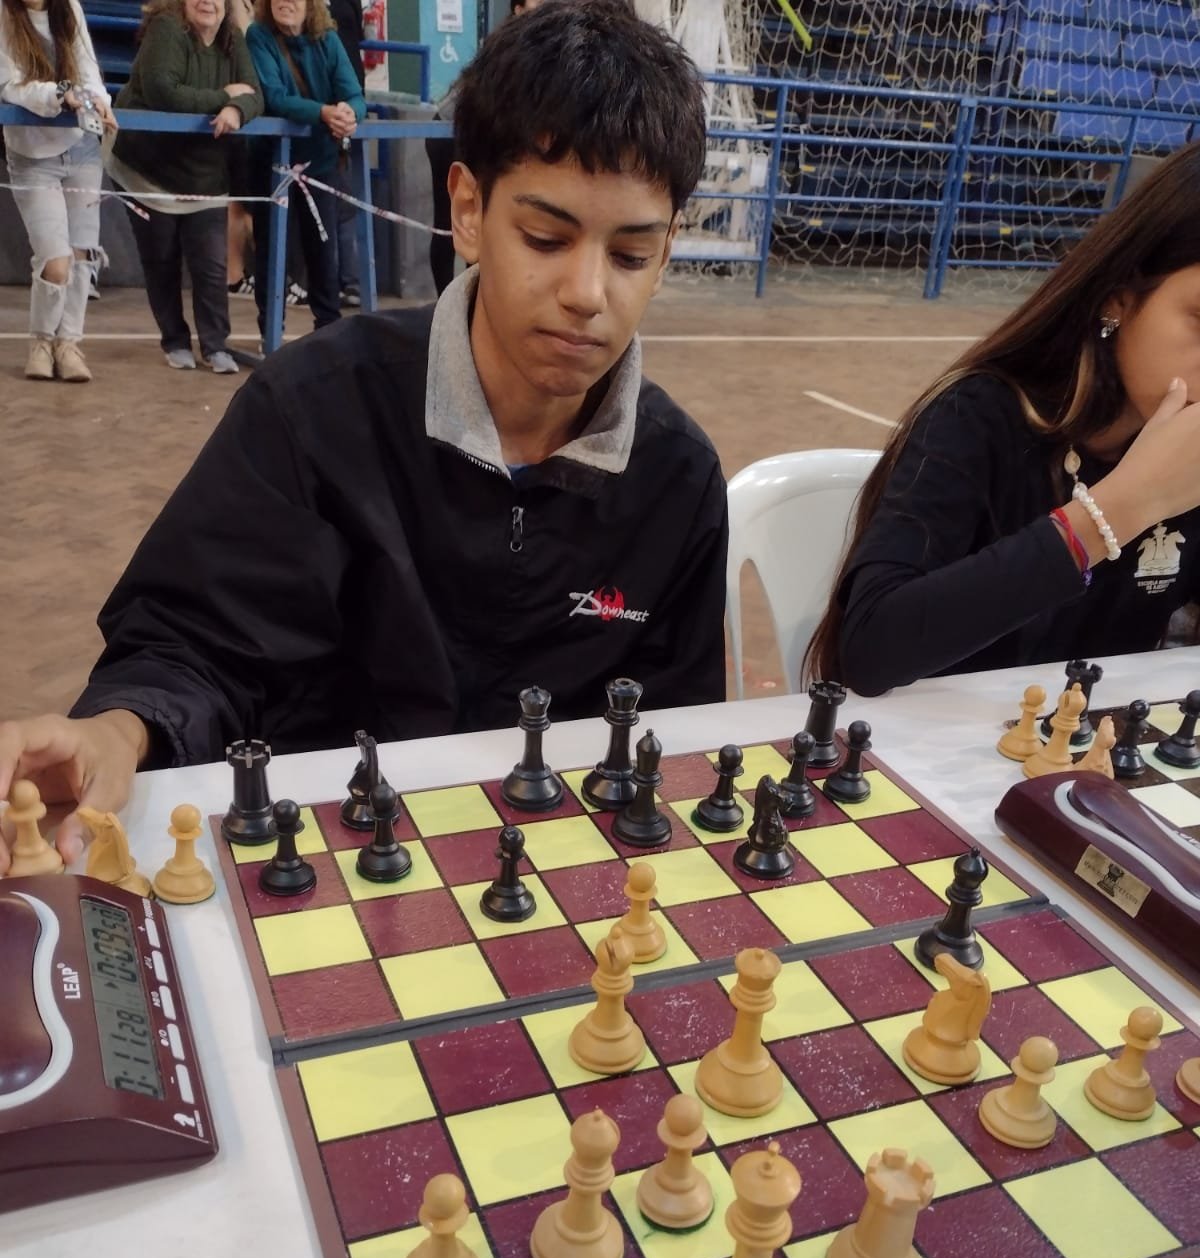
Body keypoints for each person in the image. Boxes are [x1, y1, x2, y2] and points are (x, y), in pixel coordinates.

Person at [0, 0, 727, 872]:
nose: (586, 293)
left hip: (554, 881)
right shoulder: (312, 409)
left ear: (668, 250)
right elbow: (193, 642)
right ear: (468, 208)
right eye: (545, 237)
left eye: (631, 255)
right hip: (325, 868)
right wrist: (118, 730)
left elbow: (672, 737)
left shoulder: (678, 478)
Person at [807, 140, 1200, 697]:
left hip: (1091, 745)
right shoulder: (980, 416)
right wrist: (1120, 509)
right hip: (931, 742)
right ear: (1118, 298)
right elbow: (869, 649)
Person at [106, 0, 263, 372]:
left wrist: (237, 109)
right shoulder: (166, 28)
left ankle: (215, 345)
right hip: (147, 170)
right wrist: (224, 97)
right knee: (161, 260)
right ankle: (175, 340)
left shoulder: (233, 38)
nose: (207, 2)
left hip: (205, 176)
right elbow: (165, 93)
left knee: (211, 264)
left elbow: (255, 94)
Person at [0, 0, 116, 380]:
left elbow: (87, 66)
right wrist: (60, 94)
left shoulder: (69, 8)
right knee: (55, 260)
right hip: (31, 154)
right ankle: (41, 341)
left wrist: (98, 100)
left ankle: (68, 344)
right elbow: (10, 85)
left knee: (82, 254)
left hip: (81, 147)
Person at [246, 0, 364, 336]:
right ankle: (271, 333)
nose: (285, 2)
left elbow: (354, 94)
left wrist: (349, 114)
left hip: (320, 162)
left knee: (324, 252)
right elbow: (274, 97)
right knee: (272, 251)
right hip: (271, 163)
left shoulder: (328, 39)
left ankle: (329, 332)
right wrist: (324, 113)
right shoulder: (258, 36)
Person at [424, 0, 545, 297]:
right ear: (518, 8)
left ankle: (476, 299)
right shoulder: (512, 46)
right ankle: (447, 305)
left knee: (483, 222)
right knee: (452, 222)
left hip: (487, 132)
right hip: (451, 130)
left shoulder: (548, 44)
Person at [325, 0, 363, 306]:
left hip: (348, 109)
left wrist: (352, 107)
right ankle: (324, 283)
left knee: (346, 201)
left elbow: (355, 40)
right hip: (316, 111)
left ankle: (350, 281)